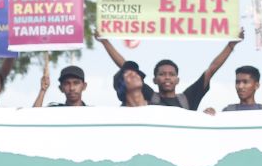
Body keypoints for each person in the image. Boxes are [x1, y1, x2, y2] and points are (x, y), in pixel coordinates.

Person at [97, 29, 244, 109]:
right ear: (154, 80)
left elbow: (211, 69)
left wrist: (231, 45)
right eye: (162, 74)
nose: (167, 77)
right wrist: (105, 42)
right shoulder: (149, 96)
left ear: (178, 79)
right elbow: (125, 67)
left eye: (171, 74)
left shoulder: (187, 99)